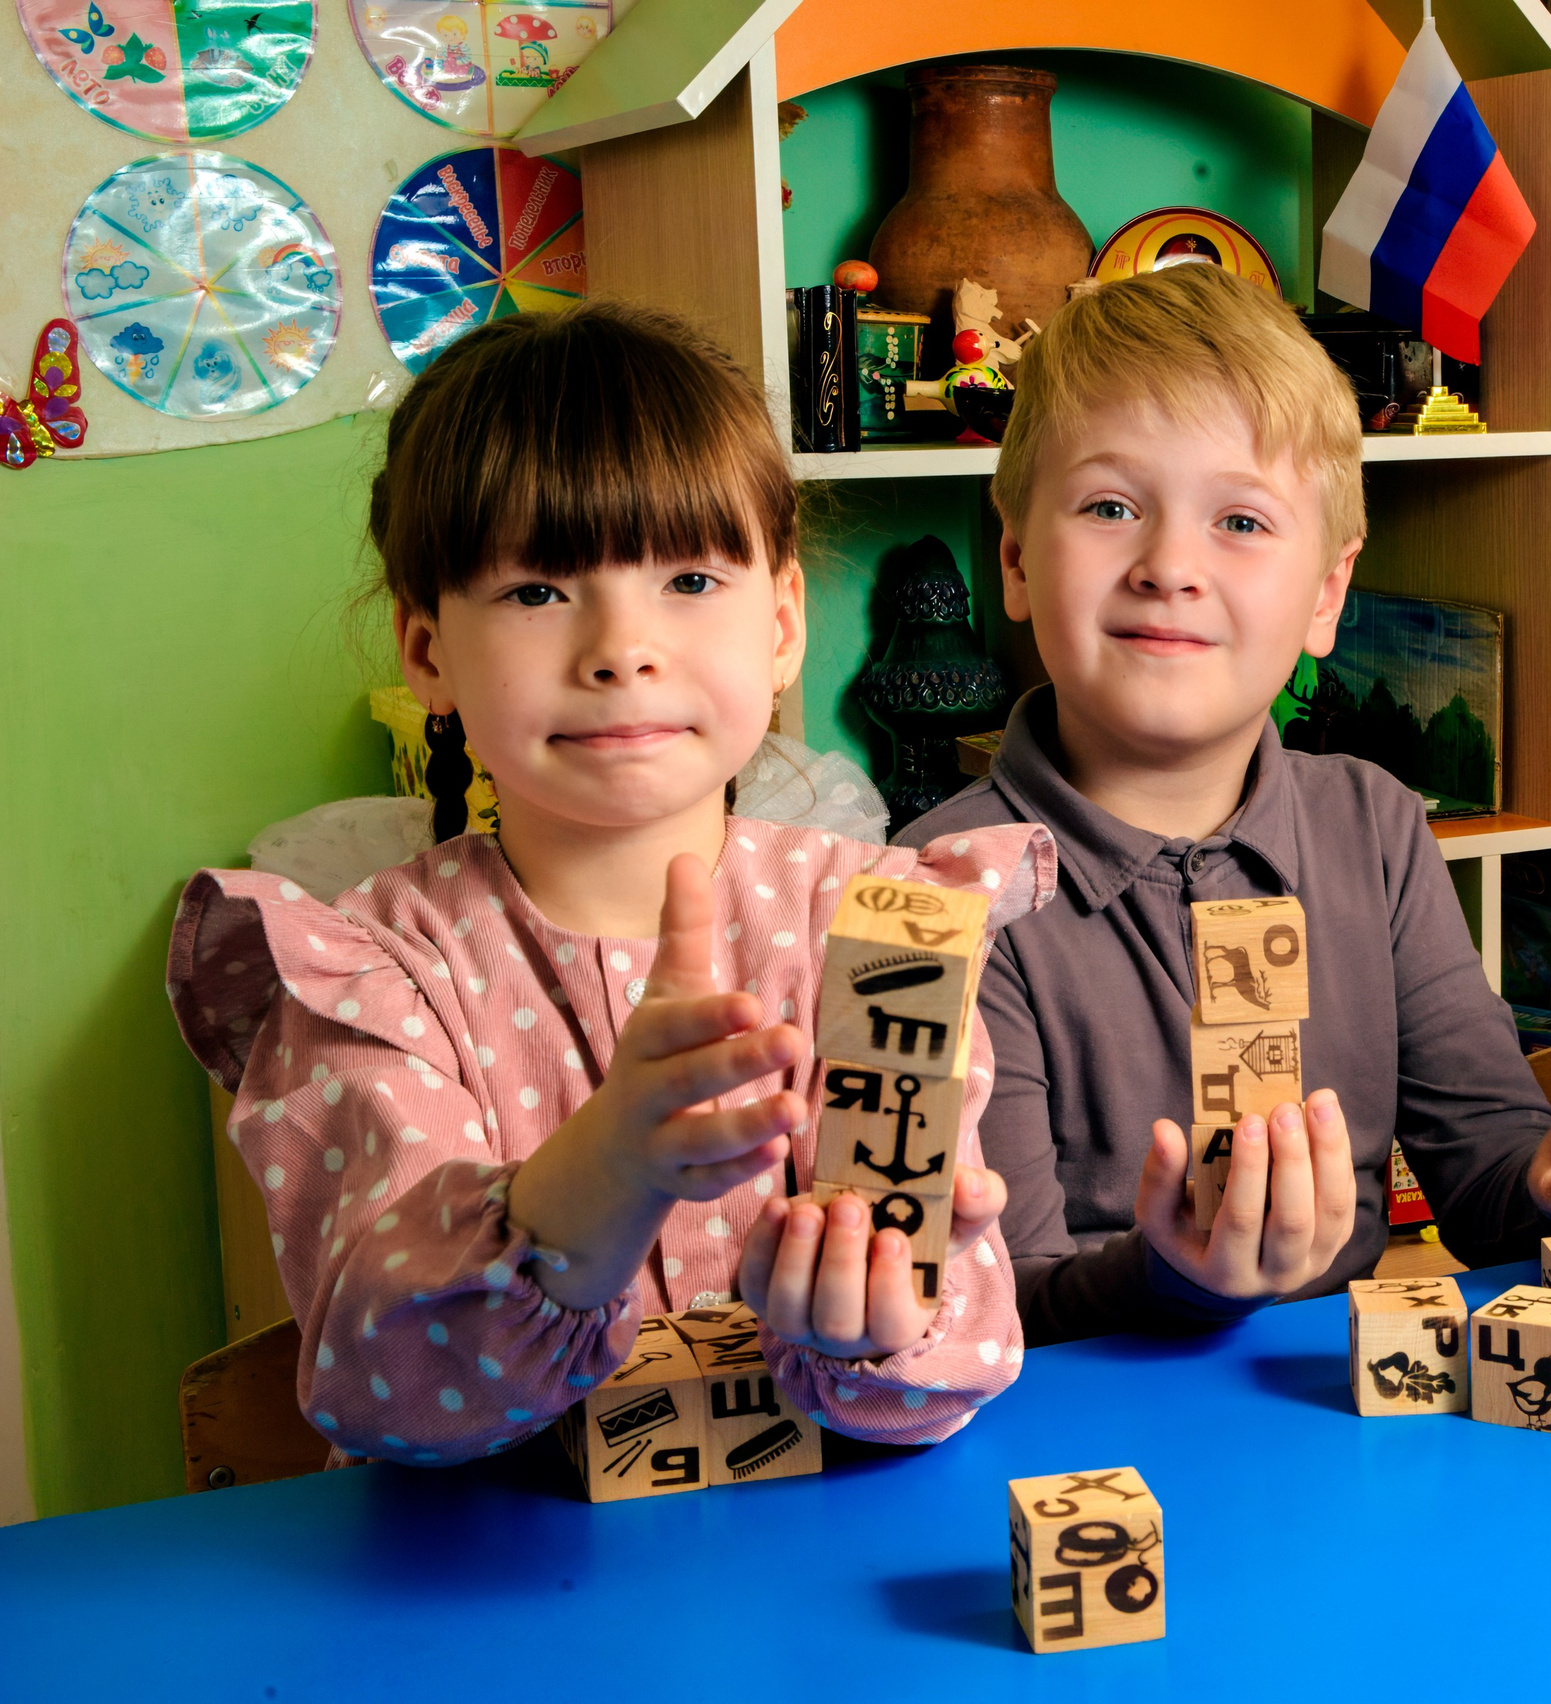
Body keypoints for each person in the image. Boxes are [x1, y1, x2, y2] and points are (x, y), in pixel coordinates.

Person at [166, 302, 1051, 1467]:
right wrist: (608, 1171)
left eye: (688, 578)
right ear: (428, 650)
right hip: (479, 1604)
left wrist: (878, 1331)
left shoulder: (885, 928)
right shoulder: (369, 977)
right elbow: (382, 1392)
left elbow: (946, 1368)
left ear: (782, 624)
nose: (619, 649)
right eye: (538, 591)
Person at [903, 264, 1551, 1344]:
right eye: (1110, 507)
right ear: (1014, 558)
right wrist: (1181, 1276)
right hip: (1073, 1437)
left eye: (1240, 522)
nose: (1170, 567)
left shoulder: (1375, 827)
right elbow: (978, 1308)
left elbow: (1485, 1184)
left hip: (1337, 1426)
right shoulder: (936, 887)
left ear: (1327, 594)